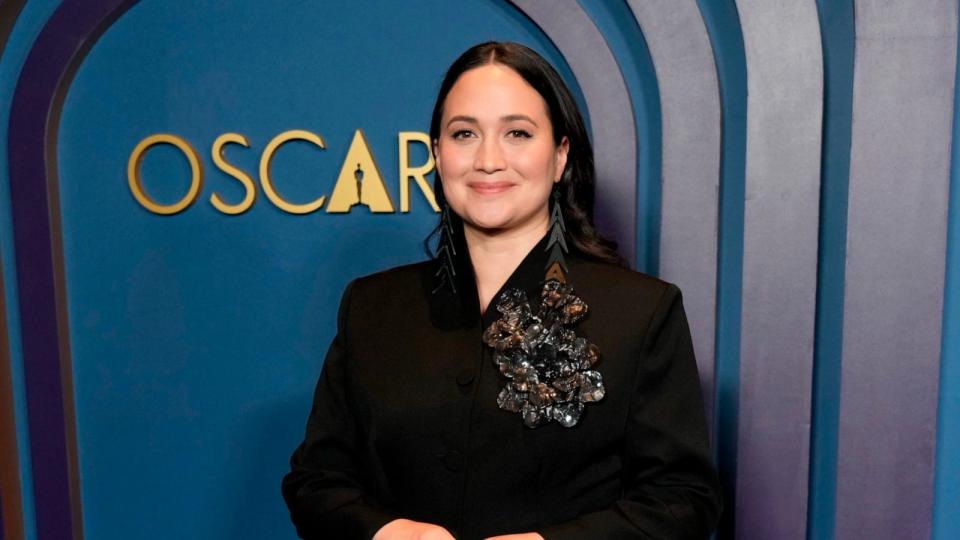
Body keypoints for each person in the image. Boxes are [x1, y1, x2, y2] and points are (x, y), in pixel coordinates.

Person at [281, 41, 722, 540]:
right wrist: (391, 532)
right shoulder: (372, 306)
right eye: (464, 133)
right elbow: (315, 482)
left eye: (517, 133)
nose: (488, 160)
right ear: (437, 155)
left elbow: (683, 501)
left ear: (559, 156)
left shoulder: (642, 311)